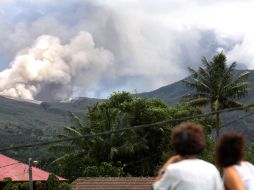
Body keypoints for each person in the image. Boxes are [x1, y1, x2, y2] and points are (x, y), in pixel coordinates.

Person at [153, 122, 223, 190]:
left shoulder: (172, 170)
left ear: (175, 143)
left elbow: (155, 188)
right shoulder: (211, 169)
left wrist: (169, 162)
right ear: (200, 143)